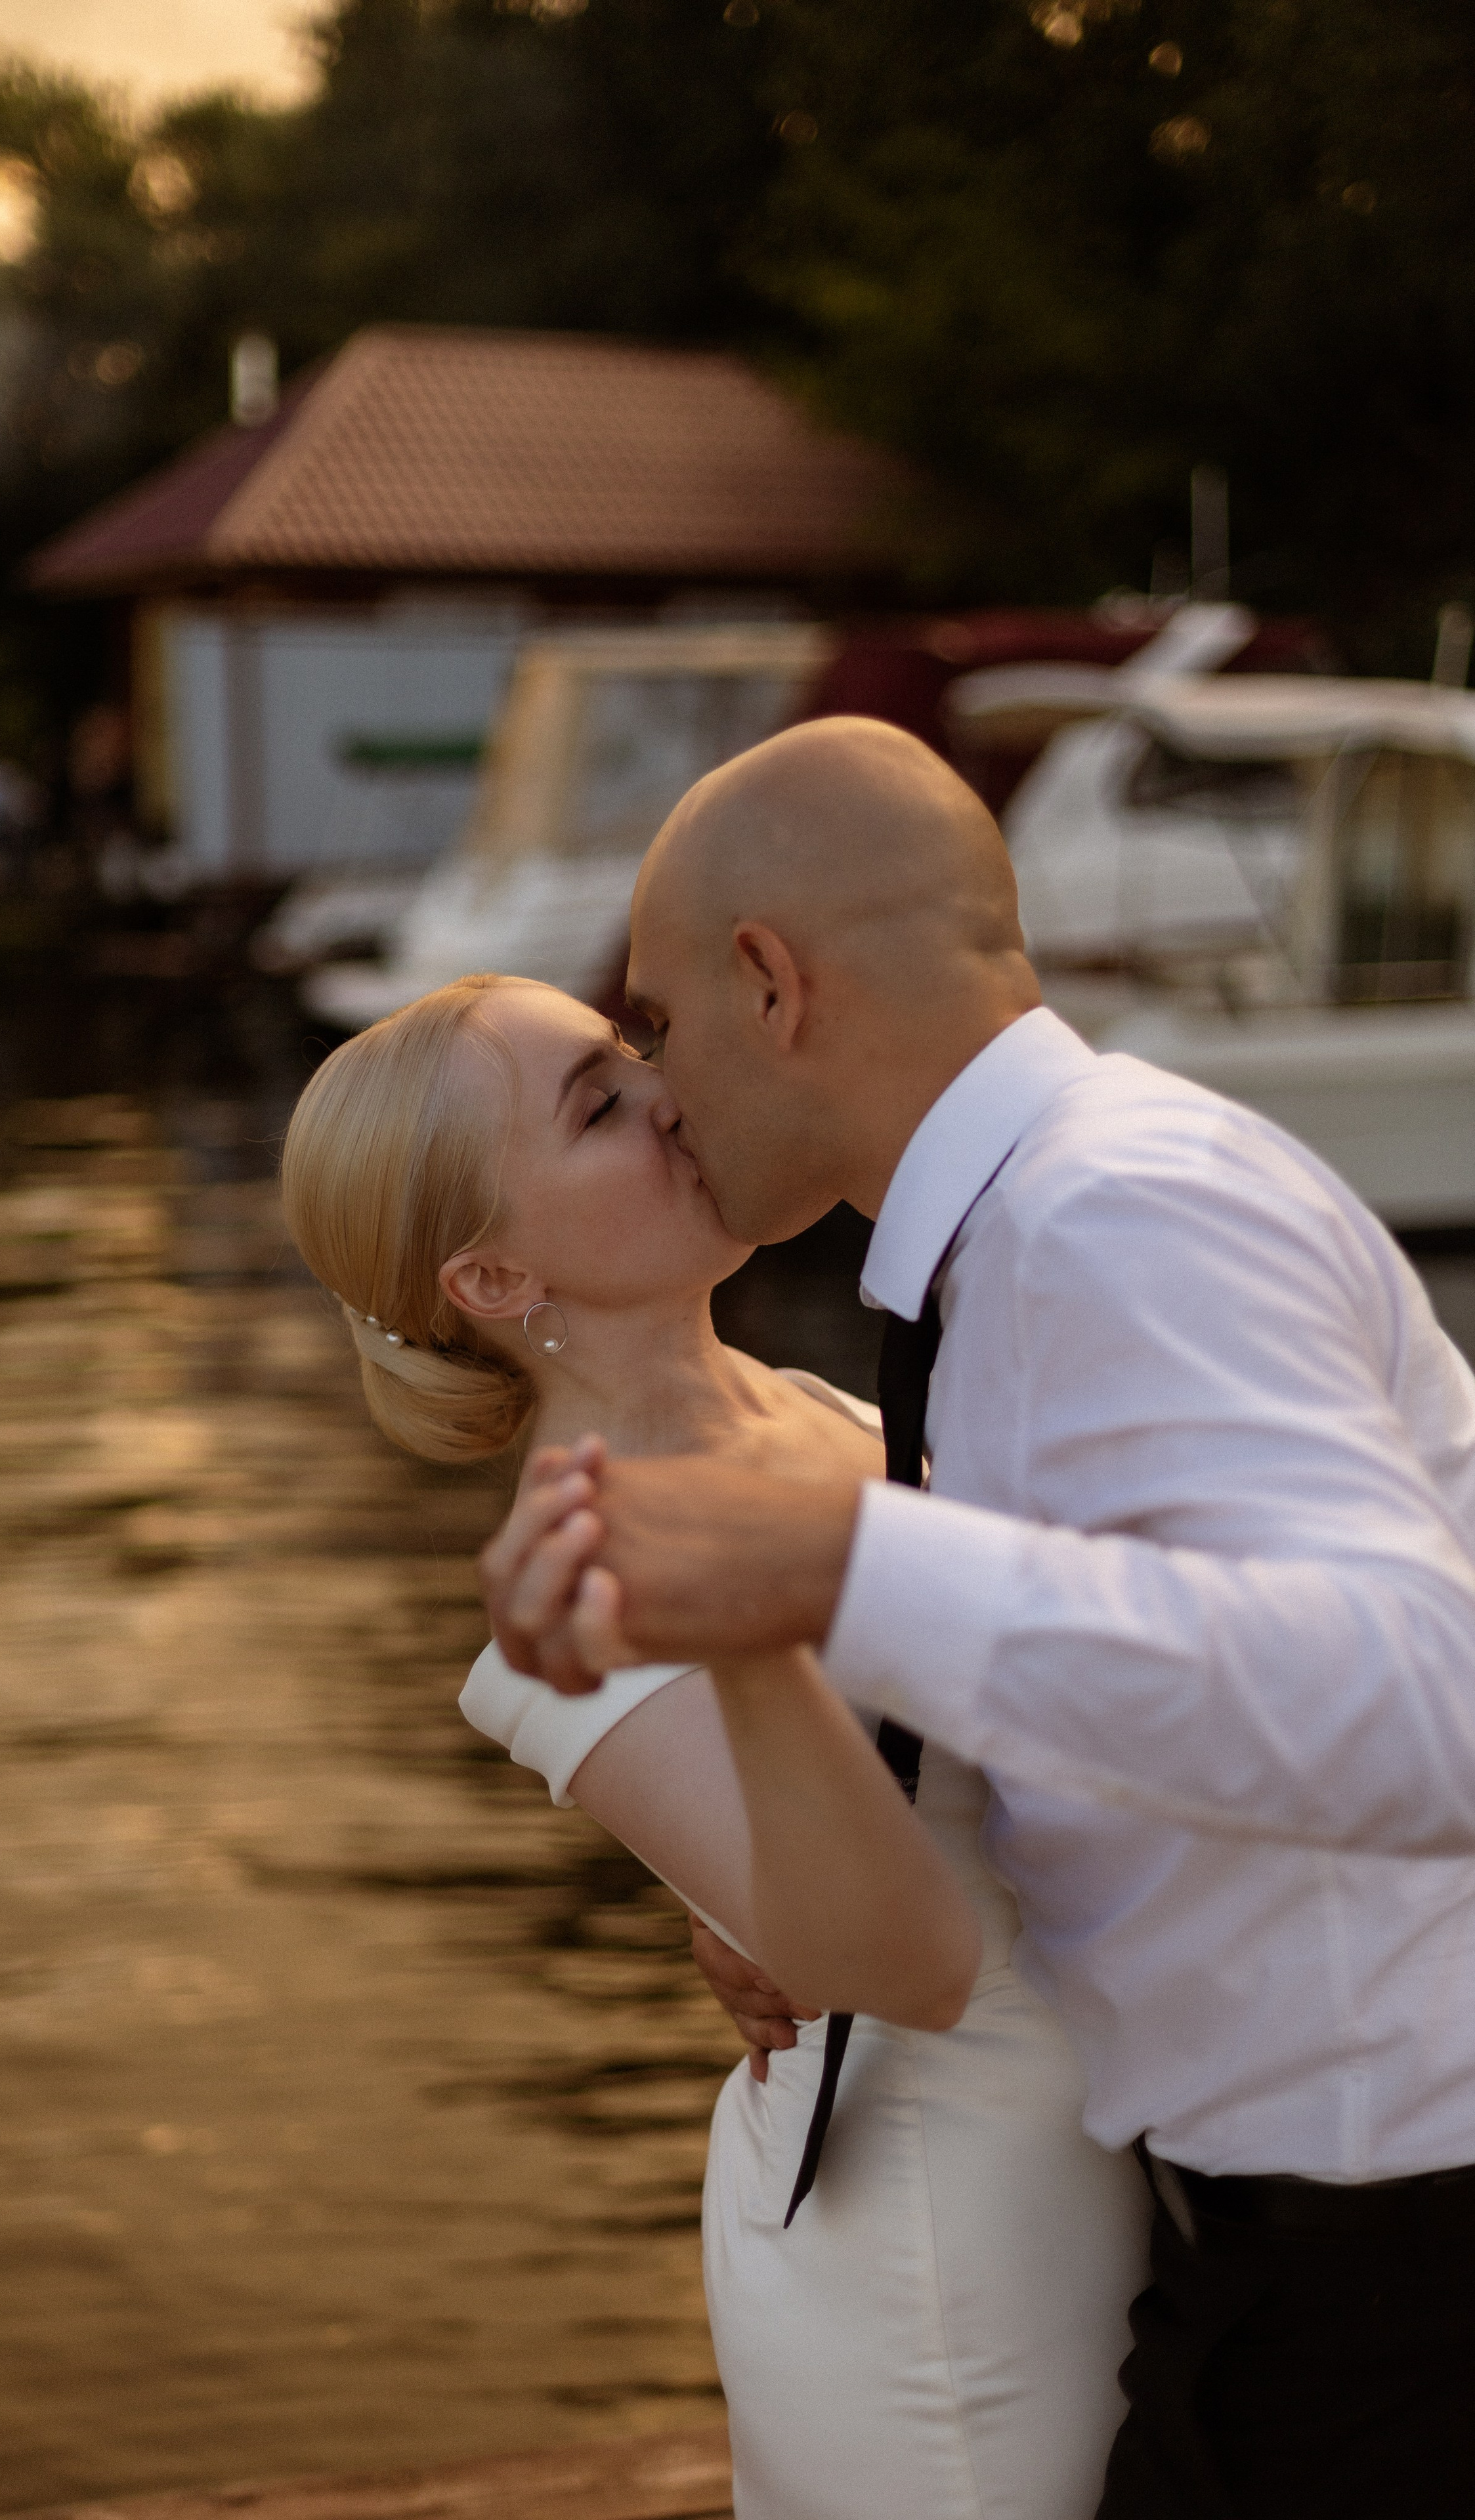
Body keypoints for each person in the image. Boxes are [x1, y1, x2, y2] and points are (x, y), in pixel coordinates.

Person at [481, 714, 1475, 2520]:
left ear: (770, 985)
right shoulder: (1024, 1245)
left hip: (1405, 2239)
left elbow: (1427, 1704)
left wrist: (834, 1569)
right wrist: (801, 1896)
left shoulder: (1110, 1218)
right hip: (1293, 2231)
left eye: (660, 1022)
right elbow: (1158, 1671)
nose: (664, 1085)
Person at [279, 970, 1149, 2520]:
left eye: (630, 1059)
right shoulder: (587, 1600)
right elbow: (904, 1961)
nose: (666, 1098)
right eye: (594, 1107)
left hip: (1122, 2149)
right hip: (950, 2236)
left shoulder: (814, 1407)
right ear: (491, 1278)